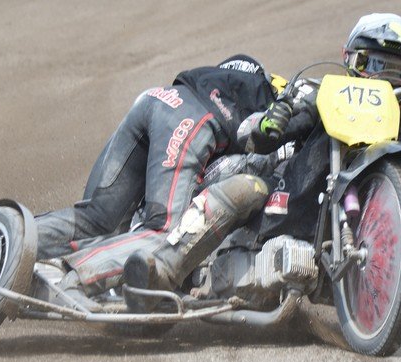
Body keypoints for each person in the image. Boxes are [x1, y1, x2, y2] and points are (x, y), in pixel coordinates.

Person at [121, 13, 401, 297]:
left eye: (400, 71)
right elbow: (252, 136)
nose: (384, 78)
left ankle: (369, 293)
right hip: (283, 201)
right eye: (375, 63)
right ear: (351, 60)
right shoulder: (321, 91)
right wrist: (272, 121)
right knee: (246, 185)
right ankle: (164, 270)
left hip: (363, 235)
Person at [35, 54, 296, 301]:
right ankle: (77, 276)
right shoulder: (281, 105)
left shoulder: (233, 76)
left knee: (99, 218)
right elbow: (246, 151)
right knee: (164, 232)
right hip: (189, 122)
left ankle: (13, 240)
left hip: (157, 98)